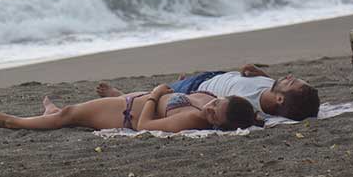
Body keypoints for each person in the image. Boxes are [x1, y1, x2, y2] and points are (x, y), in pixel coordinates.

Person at [0, 84, 264, 132]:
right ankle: (49, 114)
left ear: (217, 125)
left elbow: (144, 126)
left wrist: (154, 95)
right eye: (216, 103)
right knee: (69, 114)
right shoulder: (210, 103)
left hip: (125, 113)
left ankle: (11, 121)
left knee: (68, 114)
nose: (210, 108)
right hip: (130, 99)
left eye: (214, 115)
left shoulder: (191, 120)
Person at [97, 64, 320, 121]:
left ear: (279, 99)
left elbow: (223, 110)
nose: (289, 76)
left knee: (152, 96)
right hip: (218, 75)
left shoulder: (245, 104)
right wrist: (260, 74)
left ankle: (120, 96)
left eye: (291, 82)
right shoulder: (274, 88)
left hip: (197, 89)